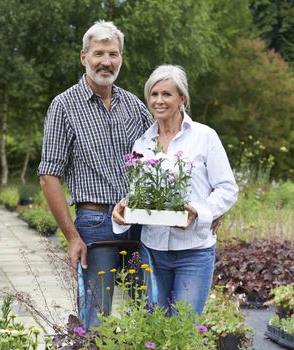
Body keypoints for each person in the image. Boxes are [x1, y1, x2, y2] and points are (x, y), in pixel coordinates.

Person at [38, 20, 154, 328]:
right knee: (95, 319)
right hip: (94, 225)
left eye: (113, 54)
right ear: (84, 57)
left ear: (120, 58)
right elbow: (49, 175)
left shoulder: (134, 105)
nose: (106, 62)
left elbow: (166, 155)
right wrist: (72, 237)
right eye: (99, 53)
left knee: (148, 313)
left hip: (139, 223)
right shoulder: (64, 105)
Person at [112, 64, 238, 316]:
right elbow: (142, 193)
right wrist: (124, 206)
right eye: (154, 94)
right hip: (153, 252)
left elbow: (227, 188)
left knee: (183, 327)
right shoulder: (143, 142)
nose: (159, 100)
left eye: (166, 94)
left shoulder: (204, 136)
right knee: (154, 327)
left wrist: (200, 212)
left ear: (182, 98)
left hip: (194, 251)